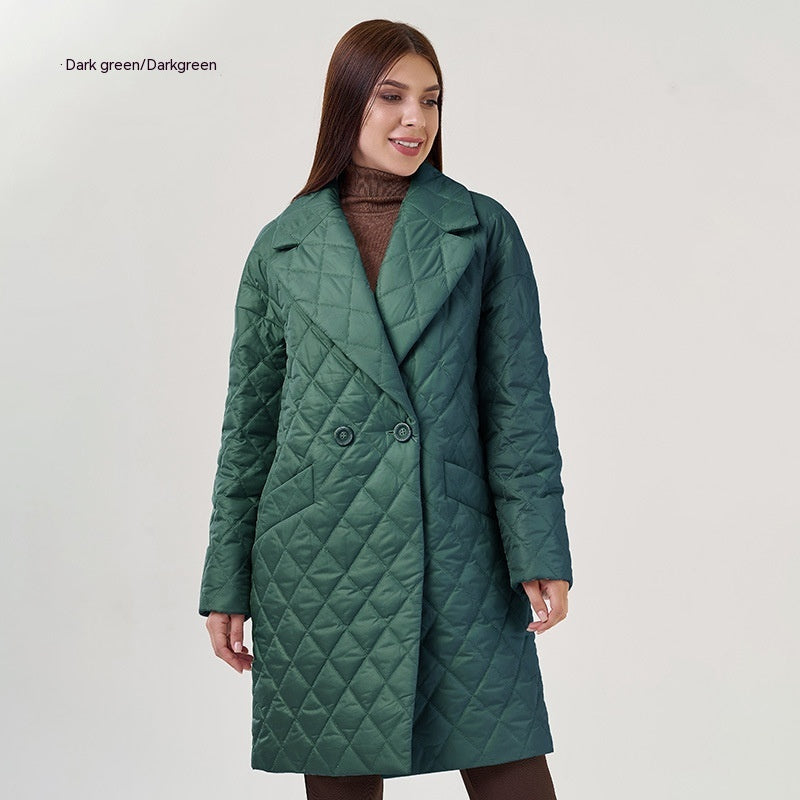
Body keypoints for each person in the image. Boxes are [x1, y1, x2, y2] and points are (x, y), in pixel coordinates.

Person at [198, 18, 573, 800]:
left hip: (455, 548)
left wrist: (538, 547)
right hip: (316, 557)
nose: (415, 119)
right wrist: (226, 581)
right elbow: (250, 430)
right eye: (391, 97)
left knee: (510, 769)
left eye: (431, 100)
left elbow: (518, 405)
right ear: (347, 106)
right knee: (341, 780)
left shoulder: (481, 229)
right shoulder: (281, 247)